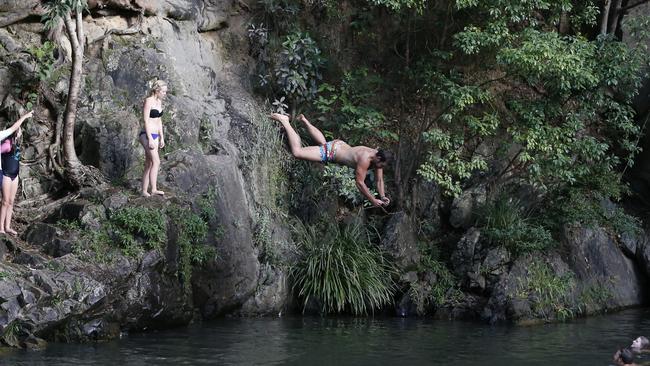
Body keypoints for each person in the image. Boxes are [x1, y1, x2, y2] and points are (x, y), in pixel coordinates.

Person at [270, 113, 391, 207]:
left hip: (338, 146)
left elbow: (379, 180)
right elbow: (360, 183)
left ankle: (304, 121)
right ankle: (285, 121)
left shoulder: (377, 158)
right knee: (297, 152)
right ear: (379, 158)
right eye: (381, 164)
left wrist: (382, 196)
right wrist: (373, 200)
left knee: (323, 144)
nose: (380, 168)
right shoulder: (365, 159)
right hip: (331, 152)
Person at [0, 110, 33, 235]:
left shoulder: (16, 144)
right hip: (6, 174)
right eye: (18, 130)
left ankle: (8, 227)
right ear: (14, 131)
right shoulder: (6, 144)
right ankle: (1, 228)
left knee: (11, 202)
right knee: (5, 201)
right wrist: (25, 116)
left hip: (15, 175)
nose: (20, 131)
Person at [139, 80, 167, 197]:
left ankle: (144, 191)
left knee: (149, 163)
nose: (165, 94)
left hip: (156, 135)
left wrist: (162, 137)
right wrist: (150, 138)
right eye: (164, 91)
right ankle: (154, 189)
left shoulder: (159, 101)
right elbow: (146, 120)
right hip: (147, 135)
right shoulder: (148, 101)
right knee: (156, 161)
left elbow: (159, 120)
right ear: (157, 90)